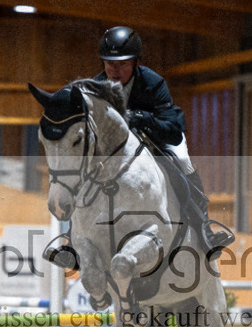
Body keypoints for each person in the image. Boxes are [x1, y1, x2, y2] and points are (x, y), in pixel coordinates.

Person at [43, 26, 233, 271]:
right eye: (109, 63)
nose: (114, 69)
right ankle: (72, 241)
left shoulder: (152, 83)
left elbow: (173, 127)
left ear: (135, 62)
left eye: (122, 63)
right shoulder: (94, 88)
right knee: (85, 173)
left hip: (156, 139)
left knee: (183, 160)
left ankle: (205, 230)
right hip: (114, 151)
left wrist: (142, 118)